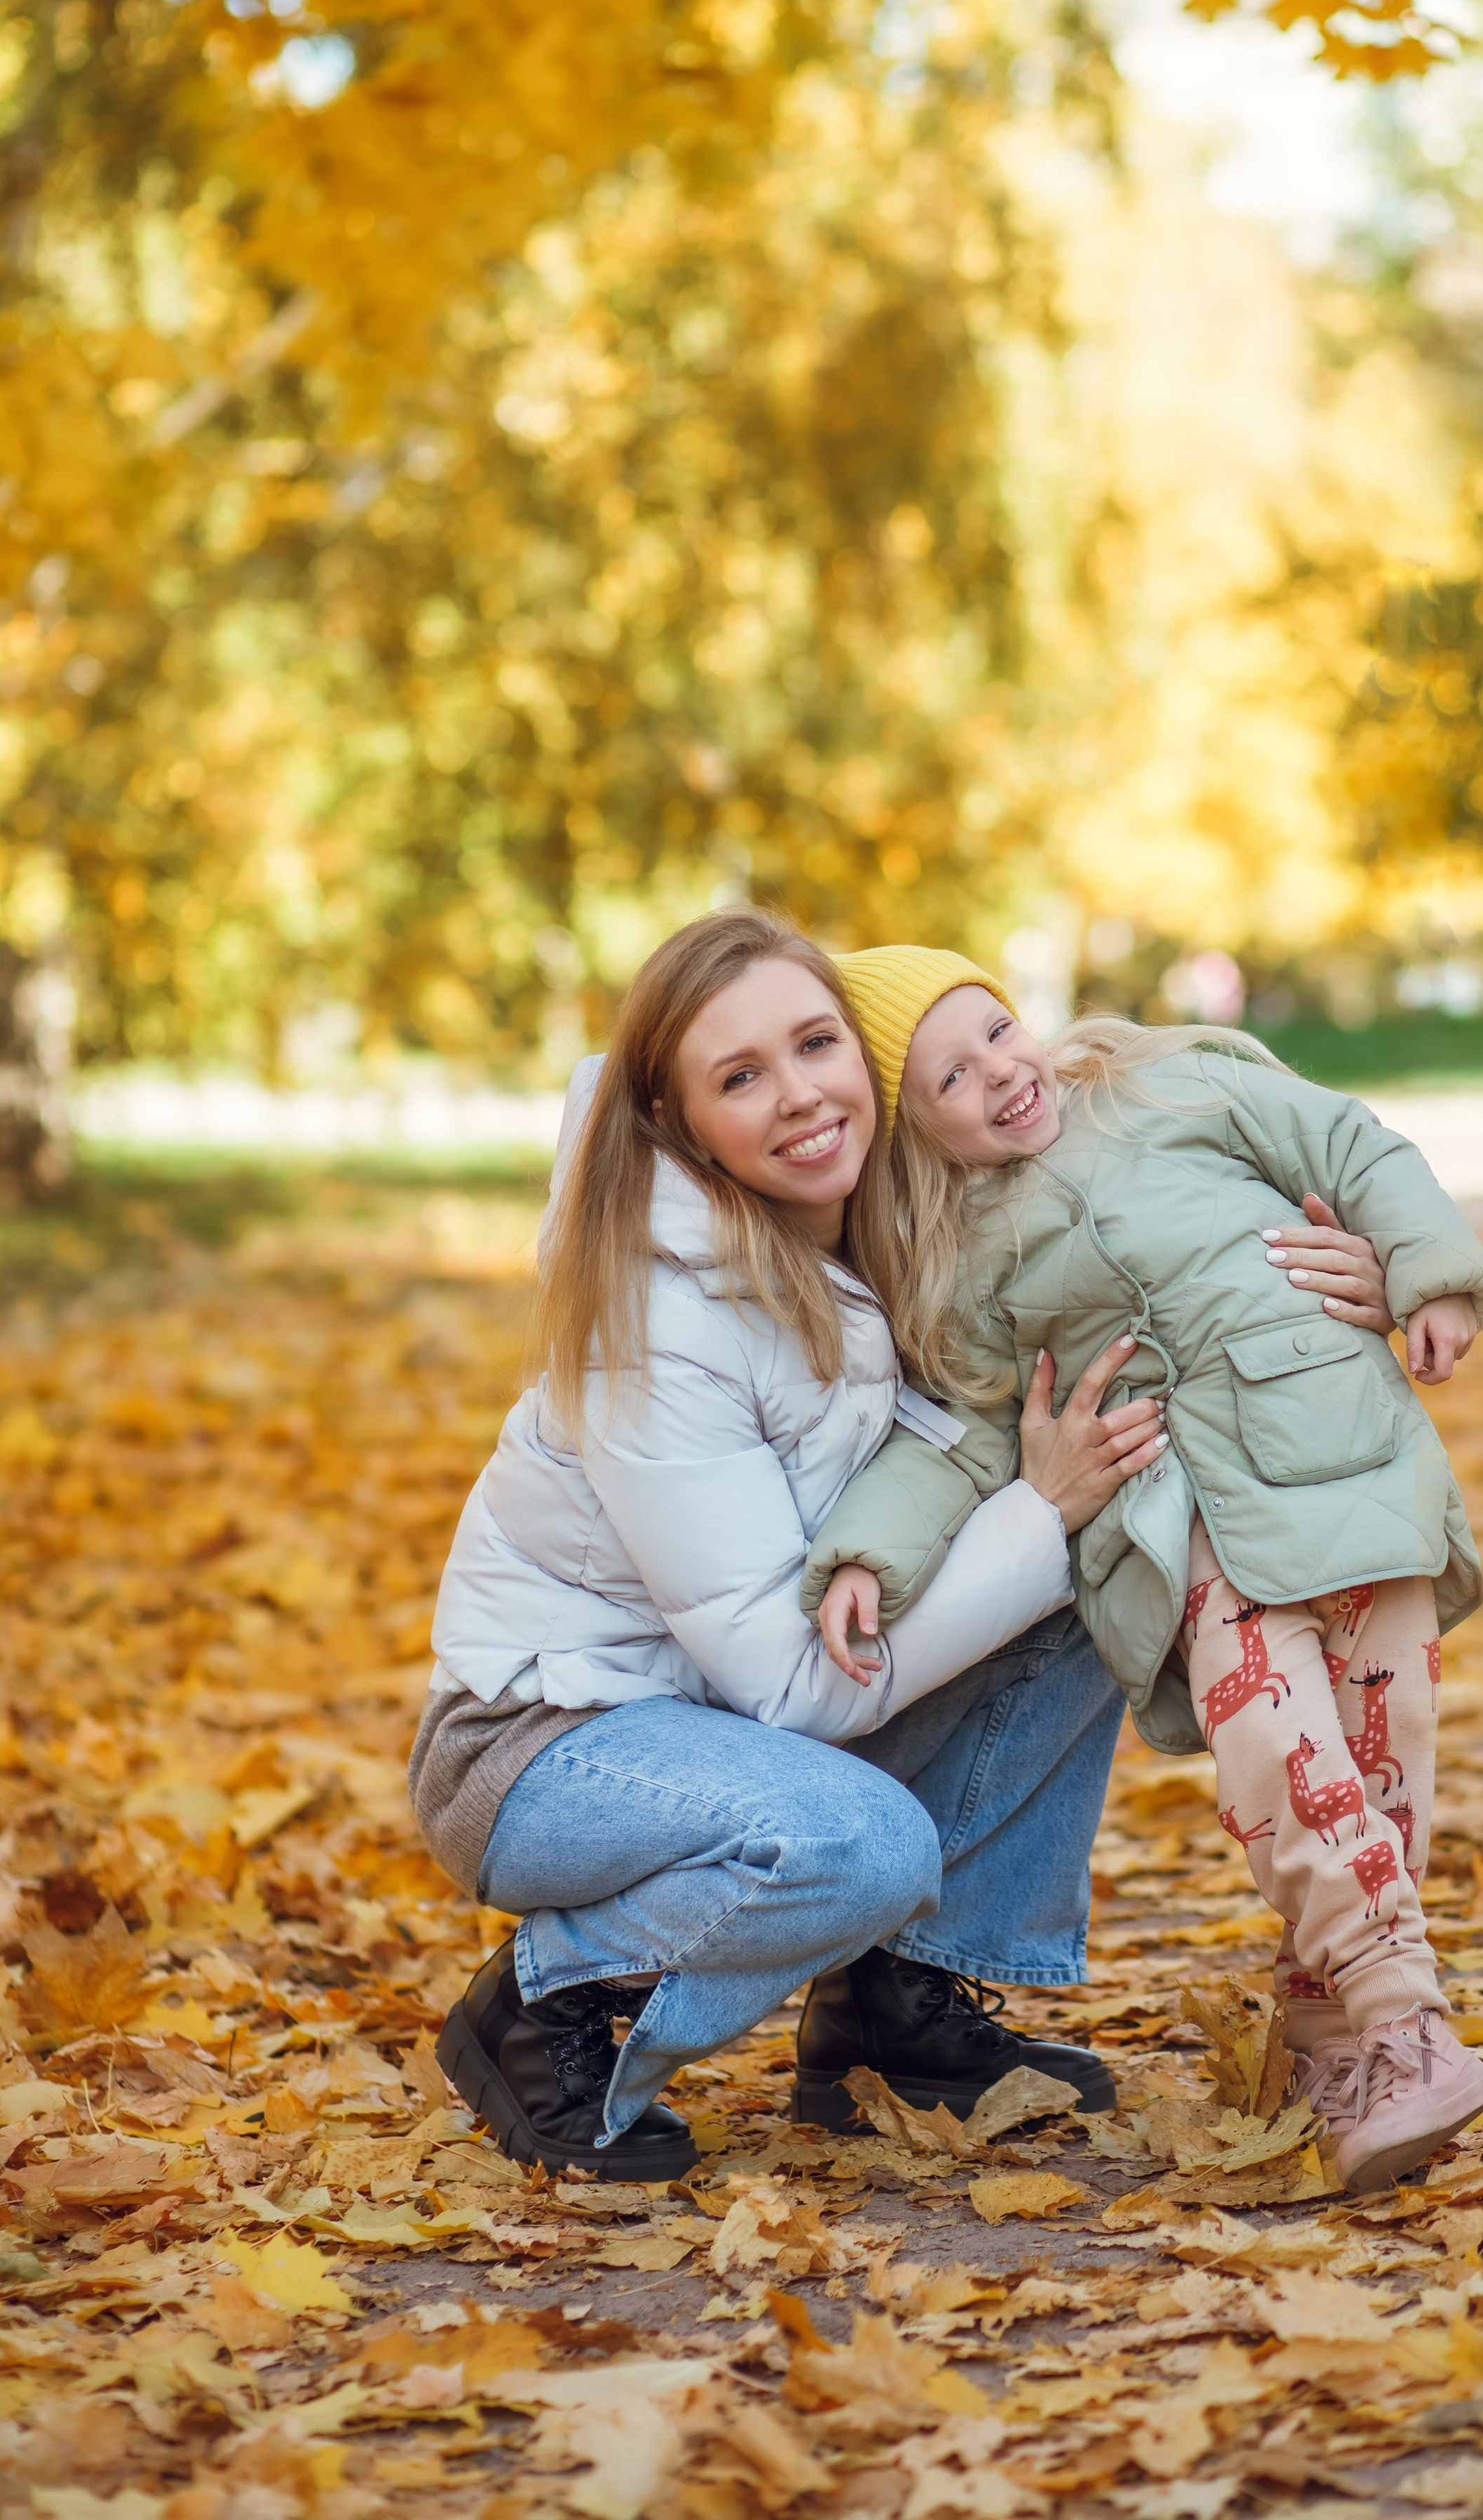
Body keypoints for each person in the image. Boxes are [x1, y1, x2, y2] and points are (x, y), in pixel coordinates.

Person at [411, 909, 1174, 2182]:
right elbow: (784, 1681)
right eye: (741, 1077)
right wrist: (1038, 1519)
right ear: (674, 1121)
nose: (802, 1096)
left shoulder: (867, 1216)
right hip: (549, 1746)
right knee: (865, 1840)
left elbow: (1138, 1220)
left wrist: (1356, 1266)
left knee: (1094, 1556)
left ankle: (896, 2012)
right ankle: (542, 2001)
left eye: (817, 1045)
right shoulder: (653, 1323)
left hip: (728, 1718)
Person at [807, 947, 1483, 2196]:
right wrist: (874, 1547)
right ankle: (1404, 2020)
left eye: (996, 1032)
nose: (997, 1077)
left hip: (1348, 1467)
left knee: (1378, 1754)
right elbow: (965, 1433)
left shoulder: (1174, 1084)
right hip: (1190, 1523)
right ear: (914, 1132)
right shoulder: (966, 1262)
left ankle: (1328, 2044)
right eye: (949, 1081)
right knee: (1283, 1760)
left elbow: (1353, 1151)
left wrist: (1427, 1273)